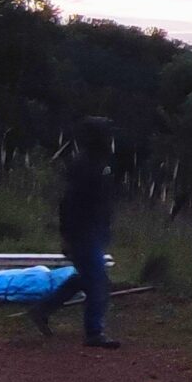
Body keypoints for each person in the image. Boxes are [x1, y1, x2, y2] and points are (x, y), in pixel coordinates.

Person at [31, 116, 121, 348]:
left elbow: (102, 203)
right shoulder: (85, 165)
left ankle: (42, 309)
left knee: (87, 278)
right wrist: (67, 236)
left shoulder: (100, 163)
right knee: (98, 282)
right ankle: (94, 332)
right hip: (82, 233)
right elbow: (68, 203)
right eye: (106, 134)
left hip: (93, 232)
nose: (111, 139)